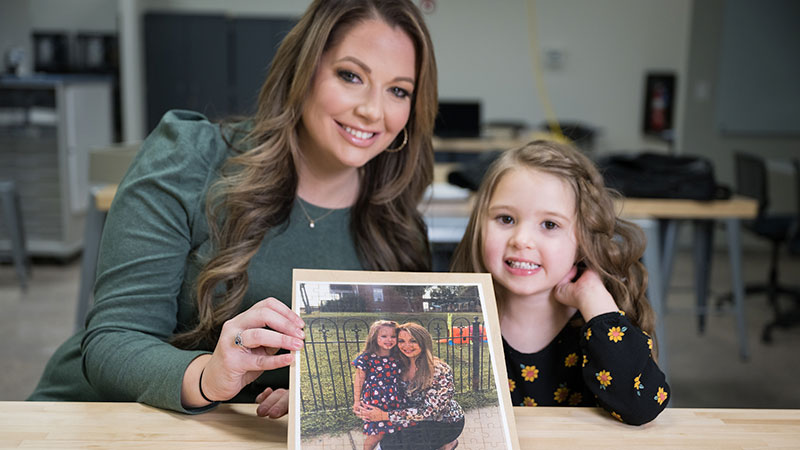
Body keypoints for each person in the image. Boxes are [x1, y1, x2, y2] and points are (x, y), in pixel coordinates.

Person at [28, 0, 438, 418]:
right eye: (351, 76)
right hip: (99, 421)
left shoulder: (398, 229)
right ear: (304, 70)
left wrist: (319, 398)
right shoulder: (189, 158)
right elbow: (113, 341)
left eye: (398, 91)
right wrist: (209, 375)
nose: (372, 110)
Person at [450, 140, 670, 425]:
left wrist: (593, 297)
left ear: (583, 241)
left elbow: (641, 406)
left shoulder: (597, 321)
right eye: (506, 219)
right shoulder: (459, 321)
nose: (521, 240)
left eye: (550, 225)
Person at [357, 322, 464, 450]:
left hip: (444, 422)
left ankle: (448, 444)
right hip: (412, 418)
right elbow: (370, 379)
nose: (407, 346)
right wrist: (365, 406)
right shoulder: (399, 365)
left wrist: (384, 415)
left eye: (413, 341)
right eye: (401, 341)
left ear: (423, 342)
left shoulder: (439, 370)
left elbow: (429, 411)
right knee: (388, 445)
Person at [352, 320, 408, 449]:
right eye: (384, 336)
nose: (389, 339)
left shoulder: (398, 357)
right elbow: (359, 380)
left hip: (395, 401)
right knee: (377, 434)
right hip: (375, 402)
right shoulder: (366, 358)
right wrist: (356, 401)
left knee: (395, 431)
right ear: (374, 337)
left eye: (393, 336)